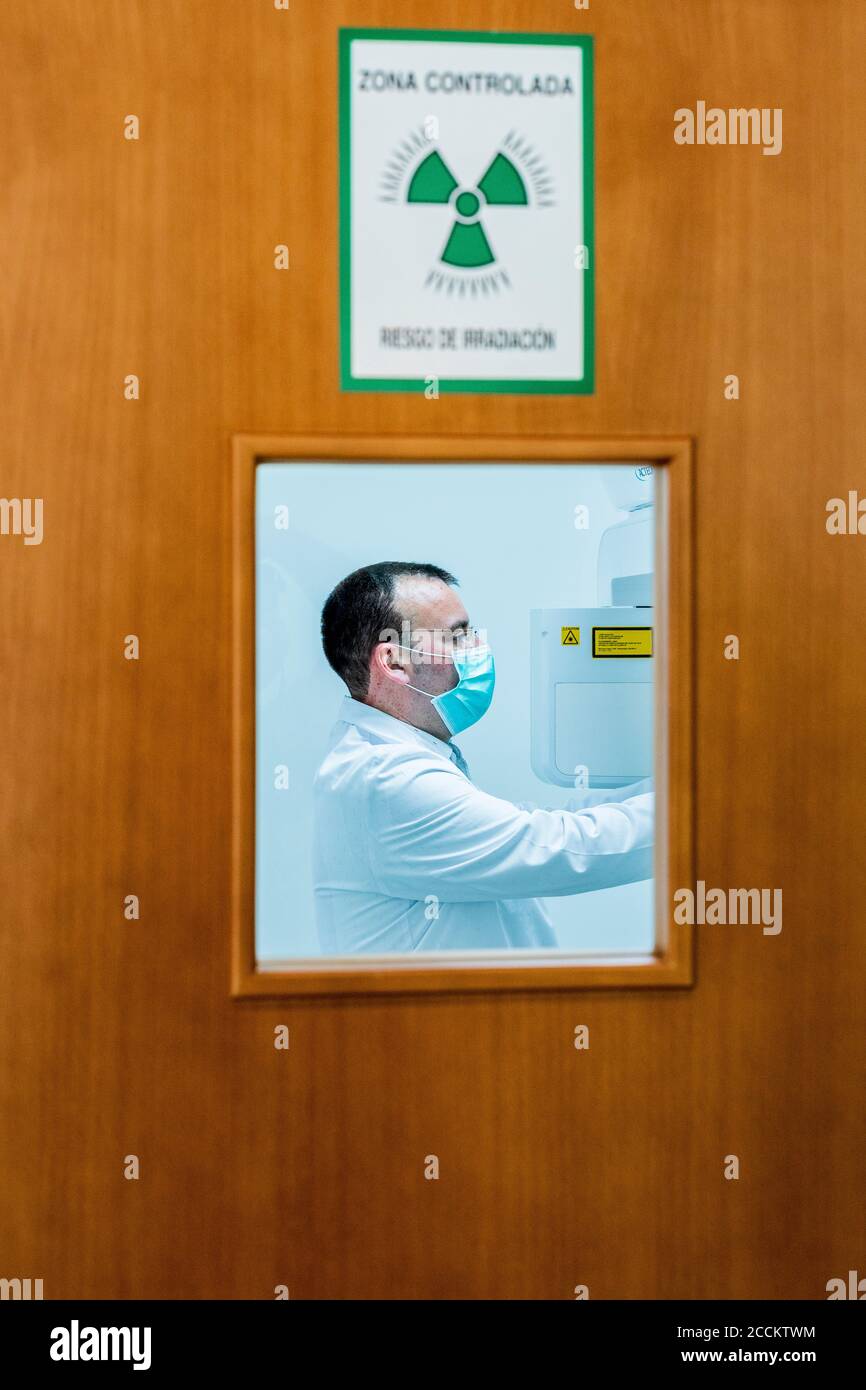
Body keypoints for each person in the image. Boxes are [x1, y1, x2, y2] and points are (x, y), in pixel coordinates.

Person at [312, 561, 653, 953]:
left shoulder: (391, 759)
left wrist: (682, 786)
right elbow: (556, 845)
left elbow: (533, 824)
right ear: (394, 662)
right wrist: (702, 811)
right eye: (458, 636)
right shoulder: (387, 779)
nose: (477, 648)